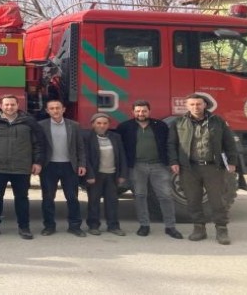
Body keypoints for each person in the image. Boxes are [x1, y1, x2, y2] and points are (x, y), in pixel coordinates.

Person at [168, 93, 238, 245]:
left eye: (198, 104)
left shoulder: (217, 121)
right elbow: (171, 144)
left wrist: (232, 162)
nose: (196, 107)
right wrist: (173, 161)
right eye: (192, 104)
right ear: (187, 106)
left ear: (205, 105)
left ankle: (221, 230)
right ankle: (199, 229)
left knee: (218, 200)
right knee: (193, 200)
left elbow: (229, 142)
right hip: (189, 168)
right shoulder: (178, 122)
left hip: (213, 167)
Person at [0, 95, 45, 240]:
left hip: (21, 167)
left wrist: (38, 162)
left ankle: (24, 228)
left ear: (18, 105)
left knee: (22, 199)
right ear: (0, 105)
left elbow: (39, 143)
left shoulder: (29, 121)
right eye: (6, 104)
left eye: (12, 104)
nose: (9, 107)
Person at [116, 100, 183, 239]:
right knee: (140, 196)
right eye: (138, 111)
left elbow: (169, 145)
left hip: (159, 166)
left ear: (149, 112)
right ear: (133, 112)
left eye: (144, 111)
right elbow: (119, 149)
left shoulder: (161, 126)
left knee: (165, 196)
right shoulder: (124, 127)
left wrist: (173, 161)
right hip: (137, 166)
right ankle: (144, 225)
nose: (141, 113)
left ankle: (170, 227)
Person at [38, 99, 87, 237]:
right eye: (52, 108)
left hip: (69, 166)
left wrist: (82, 164)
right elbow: (37, 147)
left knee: (72, 198)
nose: (55, 110)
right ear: (47, 111)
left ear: (63, 109)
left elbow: (80, 147)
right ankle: (49, 226)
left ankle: (75, 226)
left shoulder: (74, 125)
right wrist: (37, 163)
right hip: (49, 166)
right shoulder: (41, 126)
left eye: (58, 108)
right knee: (48, 198)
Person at [83, 113, 128, 236]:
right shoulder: (87, 137)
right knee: (94, 202)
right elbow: (85, 158)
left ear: (109, 125)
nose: (102, 126)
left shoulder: (116, 137)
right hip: (96, 175)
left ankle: (113, 226)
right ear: (93, 124)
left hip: (112, 175)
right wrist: (89, 175)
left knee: (112, 202)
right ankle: (93, 226)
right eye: (98, 123)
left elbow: (122, 156)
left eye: (105, 123)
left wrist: (122, 174)